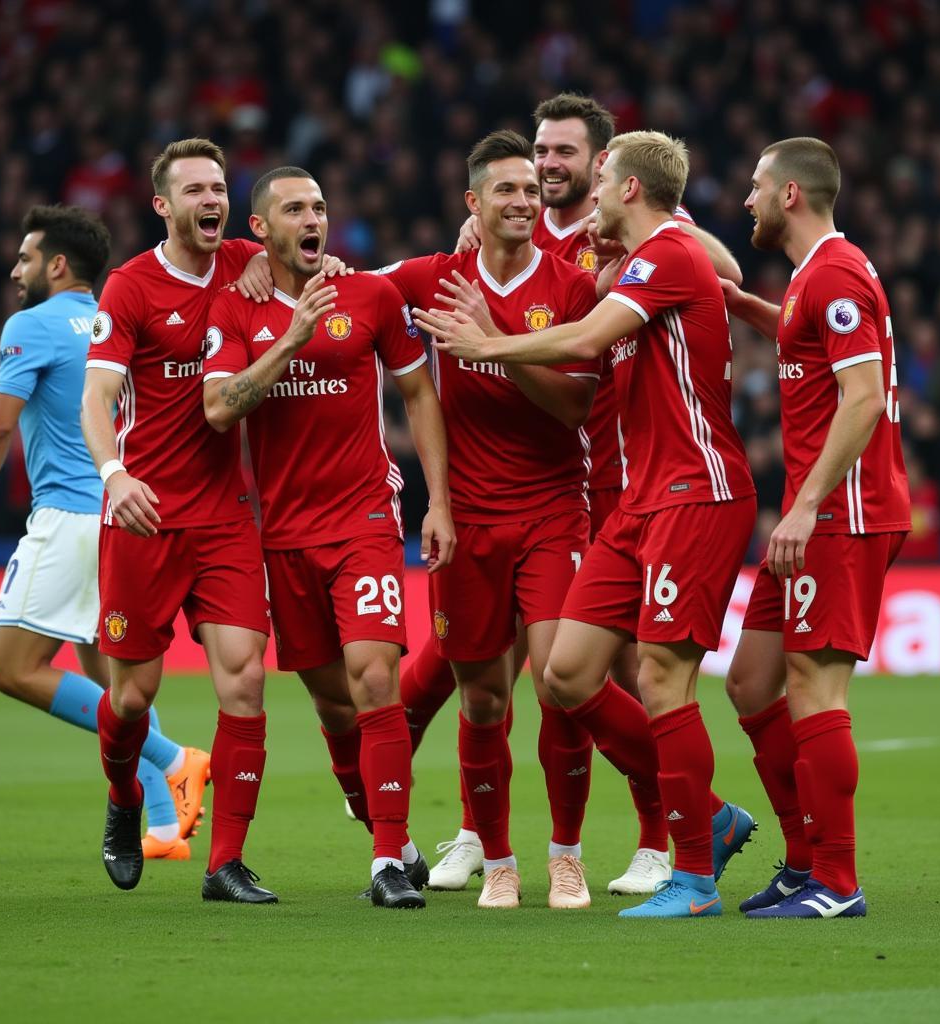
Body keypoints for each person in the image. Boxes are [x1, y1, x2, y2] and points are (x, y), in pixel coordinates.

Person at [414, 130, 758, 919]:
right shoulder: (628, 268)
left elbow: (584, 340)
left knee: (663, 680)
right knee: (565, 676)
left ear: (628, 188)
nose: (579, 193)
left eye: (599, 176)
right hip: (636, 503)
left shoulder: (670, 255)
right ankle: (708, 813)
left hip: (693, 493)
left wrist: (488, 344)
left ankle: (694, 874)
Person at [380, 129, 673, 910]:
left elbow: (575, 403)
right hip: (466, 520)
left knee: (559, 683)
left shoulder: (571, 286)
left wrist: (493, 344)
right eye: (504, 190)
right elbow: (357, 293)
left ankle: (567, 854)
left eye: (529, 190)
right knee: (481, 701)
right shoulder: (433, 277)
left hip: (552, 510)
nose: (522, 201)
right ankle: (500, 861)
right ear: (474, 203)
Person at [202, 166, 455, 908]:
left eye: (318, 206)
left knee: (376, 678)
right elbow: (220, 409)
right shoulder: (235, 308)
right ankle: (392, 831)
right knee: (332, 701)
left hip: (364, 520)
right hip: (282, 532)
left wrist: (438, 500)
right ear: (262, 231)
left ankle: (383, 861)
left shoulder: (370, 296)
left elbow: (417, 392)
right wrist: (290, 341)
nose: (313, 218)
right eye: (294, 209)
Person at [0, 204, 209, 862]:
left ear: (58, 264)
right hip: (126, 516)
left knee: (13, 669)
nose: (15, 269)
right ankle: (167, 820)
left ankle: (175, 758)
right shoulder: (124, 321)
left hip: (69, 518)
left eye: (26, 258)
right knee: (113, 683)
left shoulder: (30, 324)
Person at [81, 138, 275, 903]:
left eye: (220, 187)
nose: (211, 200)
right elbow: (96, 400)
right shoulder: (130, 287)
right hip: (143, 514)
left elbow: (336, 279)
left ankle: (224, 862)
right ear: (163, 205)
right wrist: (113, 474)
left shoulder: (245, 262)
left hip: (226, 515)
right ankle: (125, 794)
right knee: (131, 698)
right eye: (194, 188)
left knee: (247, 680)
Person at [720, 137, 910, 918]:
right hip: (815, 513)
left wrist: (802, 505)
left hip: (841, 513)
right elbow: (806, 342)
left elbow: (862, 398)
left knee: (813, 685)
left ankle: (837, 879)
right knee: (752, 681)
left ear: (790, 195)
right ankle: (804, 862)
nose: (748, 202)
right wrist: (741, 305)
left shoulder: (833, 274)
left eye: (758, 188)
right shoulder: (812, 280)